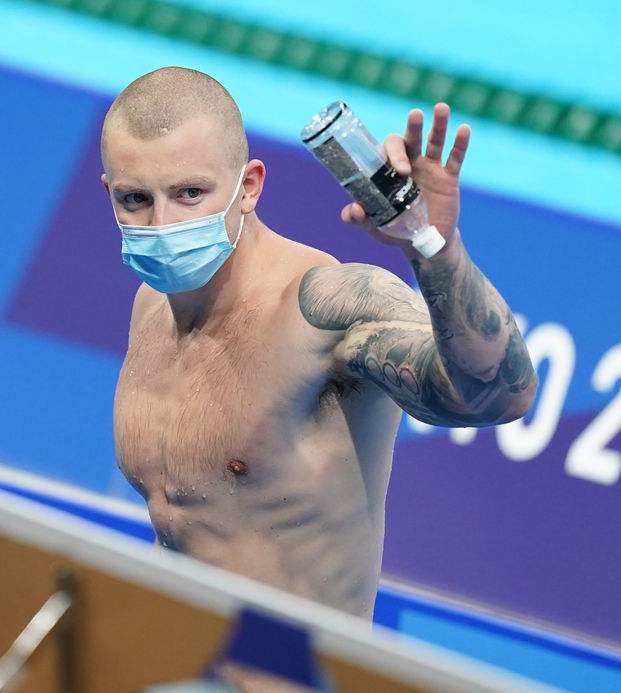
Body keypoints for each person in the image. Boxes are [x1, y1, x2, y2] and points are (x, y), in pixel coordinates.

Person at [101, 67, 537, 621]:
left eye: (190, 193)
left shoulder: (325, 308)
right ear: (109, 192)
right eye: (136, 199)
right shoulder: (150, 306)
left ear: (248, 186)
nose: (163, 223)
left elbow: (498, 395)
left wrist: (436, 249)